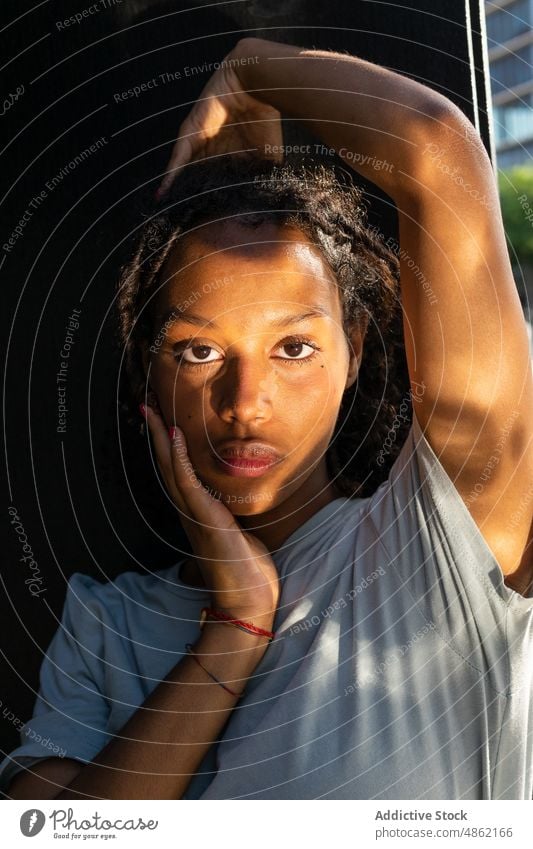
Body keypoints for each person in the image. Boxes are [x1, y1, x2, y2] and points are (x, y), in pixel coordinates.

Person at [2, 36, 532, 801]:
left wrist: (252, 68)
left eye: (292, 346)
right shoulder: (108, 622)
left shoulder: (443, 538)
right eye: (197, 351)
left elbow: (436, 151)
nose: (245, 400)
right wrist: (235, 628)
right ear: (148, 366)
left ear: (353, 351)